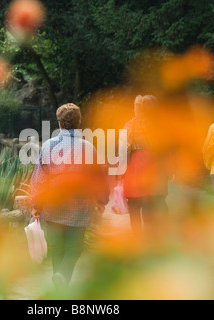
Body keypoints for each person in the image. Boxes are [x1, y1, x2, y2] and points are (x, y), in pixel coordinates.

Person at [30, 103, 109, 289]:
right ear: (79, 122)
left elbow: (39, 178)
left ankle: (59, 279)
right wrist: (101, 200)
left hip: (53, 205)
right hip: (80, 206)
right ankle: (62, 276)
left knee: (56, 246)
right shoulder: (89, 148)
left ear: (59, 123)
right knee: (76, 247)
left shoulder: (48, 146)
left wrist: (36, 204)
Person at [120, 95, 173, 235]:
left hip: (137, 165)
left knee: (135, 204)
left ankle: (138, 238)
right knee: (157, 201)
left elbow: (123, 147)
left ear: (138, 108)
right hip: (157, 165)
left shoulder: (130, 124)